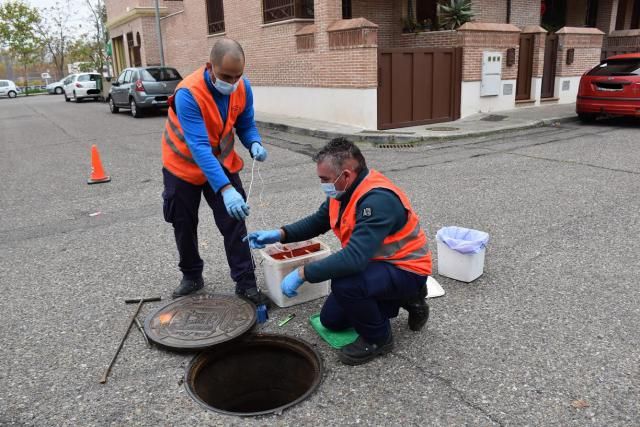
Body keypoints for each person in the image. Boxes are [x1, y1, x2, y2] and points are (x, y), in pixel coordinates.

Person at [245, 138, 432, 365]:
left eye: (325, 179)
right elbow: (318, 221)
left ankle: (379, 338)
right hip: (375, 263)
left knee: (346, 286)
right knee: (331, 320)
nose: (323, 184)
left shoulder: (378, 200)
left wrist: (302, 273)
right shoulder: (343, 192)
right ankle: (403, 299)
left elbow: (354, 259)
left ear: (346, 175)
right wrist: (279, 234)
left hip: (405, 267)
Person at [161, 38, 269, 306]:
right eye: (225, 76)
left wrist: (254, 141)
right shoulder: (188, 93)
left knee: (234, 222)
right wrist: (226, 188)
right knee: (184, 224)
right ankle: (191, 275)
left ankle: (246, 284)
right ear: (210, 67)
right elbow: (198, 147)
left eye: (237, 76)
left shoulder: (242, 87)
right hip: (182, 167)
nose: (231, 83)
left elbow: (245, 123)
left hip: (221, 162)